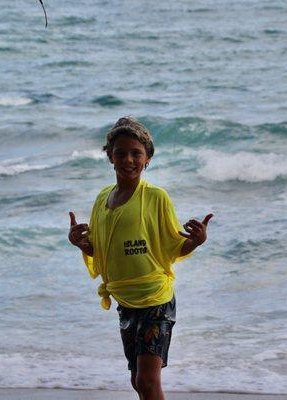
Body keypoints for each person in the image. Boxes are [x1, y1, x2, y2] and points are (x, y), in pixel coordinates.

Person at [68, 116, 213, 400]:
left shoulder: (156, 197)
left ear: (148, 159)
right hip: (125, 302)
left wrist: (196, 242)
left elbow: (173, 246)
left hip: (155, 300)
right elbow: (100, 249)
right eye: (120, 153)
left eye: (136, 153)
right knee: (137, 381)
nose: (128, 159)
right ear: (110, 156)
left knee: (147, 382)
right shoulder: (103, 199)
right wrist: (79, 242)